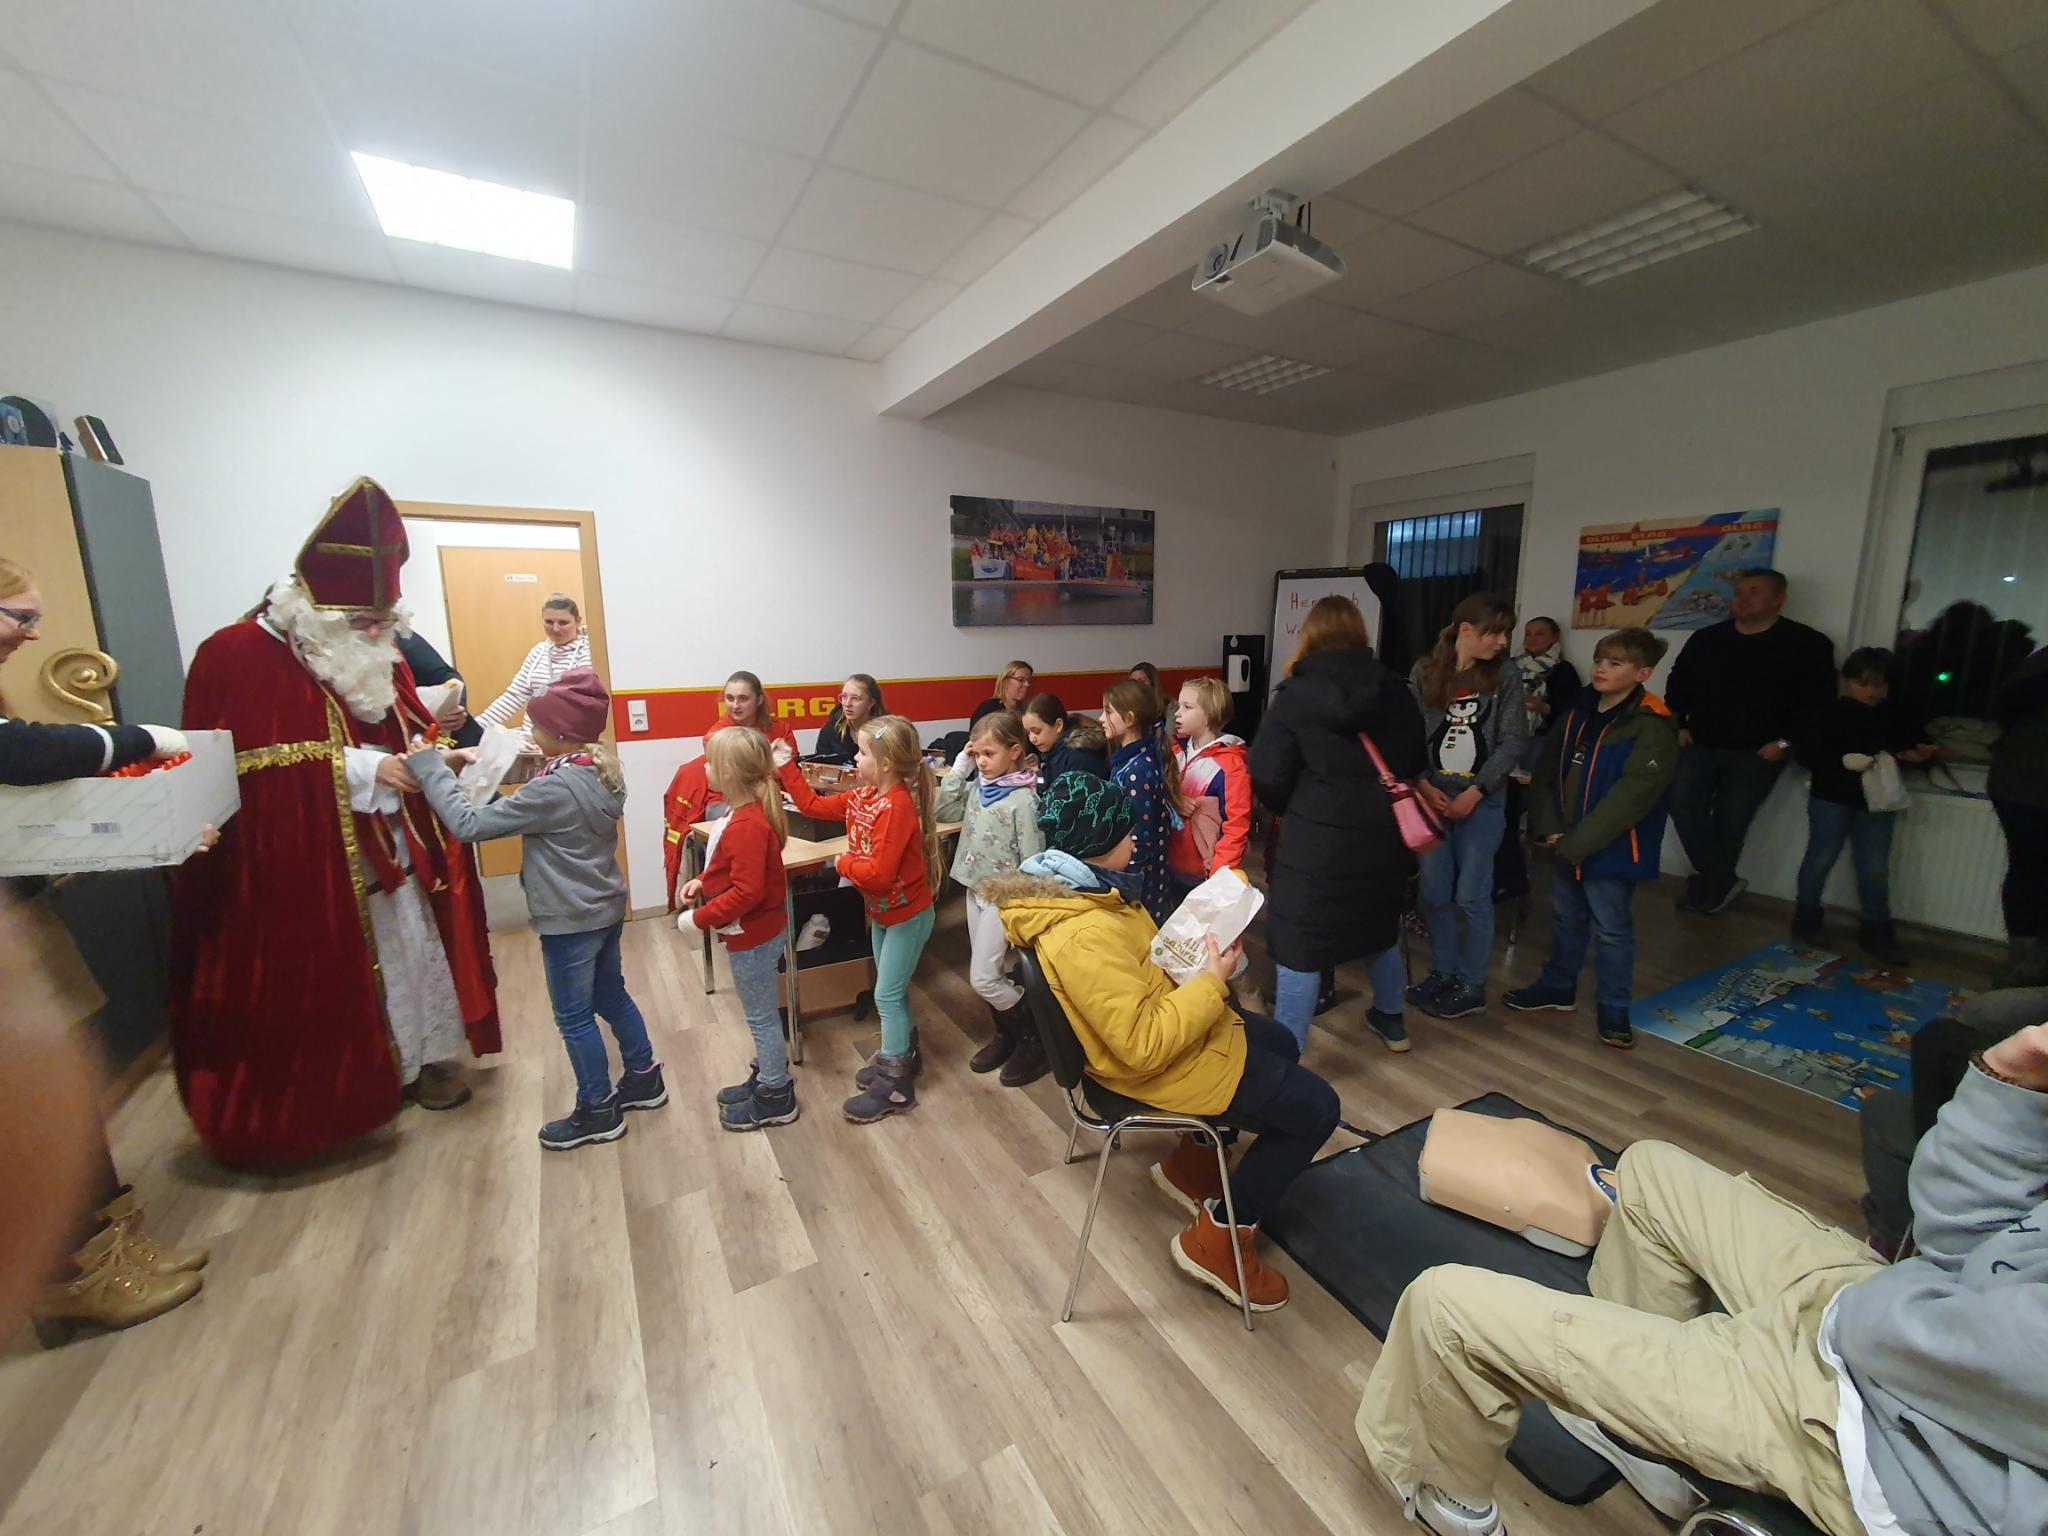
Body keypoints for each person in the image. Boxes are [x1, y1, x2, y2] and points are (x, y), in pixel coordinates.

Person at [1355, 1017, 2048, 1536]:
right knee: (1649, 1168)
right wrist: (2007, 1084)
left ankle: (1454, 1510)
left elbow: (1895, 1341)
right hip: (1909, 1326)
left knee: (1444, 1308)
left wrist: (1782, 1332)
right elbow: (1963, 1243)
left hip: (1883, 1437)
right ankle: (1640, 1437)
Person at [171, 478, 500, 1166]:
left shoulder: (373, 654)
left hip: (395, 844)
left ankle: (420, 1061)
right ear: (313, 609)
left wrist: (437, 759)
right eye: (364, 624)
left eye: (385, 622)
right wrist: (372, 771)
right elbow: (248, 771)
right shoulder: (235, 656)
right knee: (341, 970)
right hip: (307, 865)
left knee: (410, 952)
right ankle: (352, 1089)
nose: (378, 636)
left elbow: (401, 724)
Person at [991, 772, 1342, 1313]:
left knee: (1279, 1041)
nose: (1136, 840)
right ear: (1097, 841)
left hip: (1163, 1036)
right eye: (1126, 832)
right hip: (1153, 1065)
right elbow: (1142, 1044)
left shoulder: (1083, 892)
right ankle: (1218, 1240)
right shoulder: (1083, 931)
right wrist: (1211, 982)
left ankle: (1194, 1164)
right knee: (1319, 1108)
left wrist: (1199, 959)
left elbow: (1140, 974)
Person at [1, 558, 209, 1339]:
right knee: (28, 1108)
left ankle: (111, 1248)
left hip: (21, 918)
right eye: (21, 618)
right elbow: (24, 754)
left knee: (69, 1086)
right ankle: (72, 1278)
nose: (32, 636)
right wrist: (138, 738)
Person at [409, 667, 663, 1151]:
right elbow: (539, 794)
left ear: (562, 735)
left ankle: (598, 1109)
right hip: (603, 908)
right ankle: (644, 1077)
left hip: (568, 920)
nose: (530, 733)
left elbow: (468, 823)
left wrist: (429, 767)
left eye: (537, 727)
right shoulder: (598, 770)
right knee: (611, 995)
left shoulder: (551, 790)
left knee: (574, 1017)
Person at [1250, 595, 1425, 1053]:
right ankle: (1392, 1020)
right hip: (1382, 836)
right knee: (1378, 927)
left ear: (1309, 634)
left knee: (1300, 943)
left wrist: (1291, 806)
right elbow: (1413, 759)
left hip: (1316, 840)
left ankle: (1289, 1049)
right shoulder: (1395, 689)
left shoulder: (1294, 696)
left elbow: (1267, 773)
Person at [1502, 627, 1678, 1050]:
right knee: (1566, 918)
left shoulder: (1652, 724)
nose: (1601, 668)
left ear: (1642, 673)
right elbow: (1546, 773)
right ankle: (1558, 986)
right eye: (1599, 660)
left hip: (1611, 847)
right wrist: (1550, 828)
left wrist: (1576, 843)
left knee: (1612, 929)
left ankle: (1613, 1008)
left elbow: (1631, 797)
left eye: (1615, 663)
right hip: (1564, 839)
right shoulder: (1577, 712)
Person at [780, 715, 943, 1122]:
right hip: (883, 912)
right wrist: (785, 767)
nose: (854, 758)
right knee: (892, 990)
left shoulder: (897, 806)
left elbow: (880, 874)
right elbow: (812, 806)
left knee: (886, 995)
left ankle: (896, 1086)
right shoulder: (863, 795)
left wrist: (842, 863)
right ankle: (903, 1056)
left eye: (862, 752)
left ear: (885, 764)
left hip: (908, 916)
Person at [1666, 569, 1836, 915]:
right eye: (1739, 591)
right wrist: (1678, 724)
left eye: (1754, 591)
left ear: (1778, 598)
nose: (1742, 599)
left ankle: (1708, 886)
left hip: (1758, 751)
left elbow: (1818, 701)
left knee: (1731, 821)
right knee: (1682, 806)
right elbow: (1679, 682)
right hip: (1699, 742)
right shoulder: (1707, 639)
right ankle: (1720, 880)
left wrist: (1786, 742)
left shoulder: (1806, 643)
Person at [1408, 594, 1525, 1021]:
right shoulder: (1424, 671)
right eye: (1495, 632)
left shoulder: (1506, 675)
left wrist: (1476, 792)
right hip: (1432, 799)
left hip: (1482, 803)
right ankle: (1443, 971)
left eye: (1506, 633)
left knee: (1471, 894)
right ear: (1466, 630)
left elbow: (1513, 740)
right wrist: (1422, 784)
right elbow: (1408, 735)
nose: (1503, 641)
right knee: (1434, 892)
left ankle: (1472, 985)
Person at [1791, 648, 1939, 967]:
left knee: (1874, 865)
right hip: (1831, 795)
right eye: (1864, 684)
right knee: (1821, 856)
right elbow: (1805, 753)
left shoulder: (1895, 714)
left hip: (1878, 800)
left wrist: (1916, 755)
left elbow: (1911, 745)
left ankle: (1877, 928)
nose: (1872, 692)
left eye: (1879, 684)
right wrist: (1843, 762)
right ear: (1847, 681)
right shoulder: (1829, 712)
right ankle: (1807, 918)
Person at [684, 728, 798, 1133]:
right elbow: (729, 865)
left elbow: (748, 891)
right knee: (760, 1015)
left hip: (753, 936)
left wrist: (700, 918)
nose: (705, 767)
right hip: (751, 933)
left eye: (711, 761)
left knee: (761, 1018)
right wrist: (703, 880)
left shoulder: (747, 824)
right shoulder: (740, 814)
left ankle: (776, 1094)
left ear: (730, 773)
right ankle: (767, 1073)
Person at [933, 711, 1046, 1084]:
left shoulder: (1024, 800)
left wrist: (1024, 911)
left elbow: (1033, 860)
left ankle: (1036, 1039)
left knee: (982, 978)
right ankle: (1007, 1035)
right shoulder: (979, 787)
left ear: (1014, 751)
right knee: (990, 974)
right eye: (977, 753)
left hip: (1004, 898)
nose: (981, 761)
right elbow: (942, 811)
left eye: (988, 754)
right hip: (974, 889)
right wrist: (960, 768)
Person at [660, 670, 802, 903]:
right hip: (726, 802)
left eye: (743, 698)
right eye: (730, 698)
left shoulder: (780, 728)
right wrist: (772, 764)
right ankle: (739, 897)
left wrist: (772, 768)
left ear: (759, 699)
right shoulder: (716, 735)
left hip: (775, 798)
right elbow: (742, 778)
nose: (735, 705)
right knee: (750, 833)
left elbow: (788, 769)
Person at [1495, 616, 1580, 903]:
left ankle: (1518, 865)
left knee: (1527, 797)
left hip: (1541, 740)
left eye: (1539, 634)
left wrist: (1543, 708)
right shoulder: (1510, 666)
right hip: (1509, 738)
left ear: (1554, 638)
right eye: (1528, 633)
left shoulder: (1563, 671)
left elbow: (1571, 712)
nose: (1531, 639)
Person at [1989, 644, 2048, 985]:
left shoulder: (2037, 665)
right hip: (2024, 785)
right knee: (2029, 872)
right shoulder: (2039, 668)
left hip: (2016, 781)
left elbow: (2004, 708)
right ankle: (2027, 968)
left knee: (2027, 872)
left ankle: (2026, 966)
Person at [1100, 678, 1180, 923]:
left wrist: (1126, 882)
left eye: (1108, 712)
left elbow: (1140, 835)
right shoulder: (1127, 761)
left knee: (1144, 935)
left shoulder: (1138, 769)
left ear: (1129, 719)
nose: (1101, 719)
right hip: (1129, 870)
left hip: (1142, 879)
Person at [1167, 676, 1252, 903]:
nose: (1177, 713)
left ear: (1208, 715)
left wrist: (1219, 874)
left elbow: (1236, 823)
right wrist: (1174, 799)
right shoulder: (1174, 750)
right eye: (1178, 706)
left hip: (1202, 872)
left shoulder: (1230, 764)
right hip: (1169, 862)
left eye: (1187, 707)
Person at [475, 592, 592, 730]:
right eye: (549, 622)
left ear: (578, 621)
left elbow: (585, 701)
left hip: (569, 735)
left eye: (563, 623)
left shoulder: (589, 651)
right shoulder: (538, 651)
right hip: (532, 734)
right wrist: (475, 727)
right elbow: (514, 695)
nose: (555, 629)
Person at [395, 629, 481, 748]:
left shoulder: (396, 636)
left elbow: (447, 677)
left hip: (448, 740)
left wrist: (456, 710)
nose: (373, 631)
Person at [1022, 691, 1109, 784]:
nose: (1032, 739)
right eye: (1028, 733)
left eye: (1037, 731)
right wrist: (1037, 772)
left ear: (1058, 725)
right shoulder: (1052, 753)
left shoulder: (1078, 757)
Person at [811, 673, 885, 764]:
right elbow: (822, 767)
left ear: (871, 703)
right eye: (844, 696)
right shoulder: (830, 730)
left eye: (855, 698)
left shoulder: (885, 732)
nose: (847, 704)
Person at [968, 660, 1034, 728]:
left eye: (1029, 681)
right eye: (1021, 680)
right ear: (1005, 681)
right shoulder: (988, 709)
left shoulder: (1028, 712)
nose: (1027, 685)